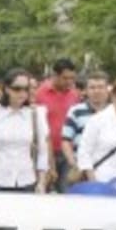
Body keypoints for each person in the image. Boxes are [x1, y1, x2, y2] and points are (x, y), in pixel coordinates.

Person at [0, 68, 52, 192]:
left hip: (27, 180)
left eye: (26, 89)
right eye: (17, 89)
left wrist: (42, 182)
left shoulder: (36, 114)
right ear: (7, 89)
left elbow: (43, 150)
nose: (22, 93)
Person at [34, 58, 81, 191]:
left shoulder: (74, 95)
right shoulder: (40, 94)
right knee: (44, 191)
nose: (69, 82)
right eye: (65, 78)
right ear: (55, 75)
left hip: (68, 152)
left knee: (66, 191)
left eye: (72, 78)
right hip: (45, 152)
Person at [62, 72, 110, 187]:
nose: (96, 91)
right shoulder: (76, 111)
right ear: (86, 91)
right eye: (92, 87)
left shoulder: (114, 113)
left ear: (107, 90)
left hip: (106, 170)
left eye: (100, 87)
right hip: (81, 171)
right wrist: (73, 163)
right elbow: (65, 140)